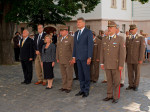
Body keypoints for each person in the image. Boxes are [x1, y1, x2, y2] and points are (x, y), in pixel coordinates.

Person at [100, 21, 126, 103]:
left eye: (111, 27)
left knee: (117, 82)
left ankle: (116, 97)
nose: (109, 29)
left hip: (116, 64)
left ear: (115, 29)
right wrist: (102, 63)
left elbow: (122, 53)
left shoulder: (120, 39)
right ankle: (109, 95)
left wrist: (121, 64)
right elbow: (102, 52)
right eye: (108, 27)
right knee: (109, 81)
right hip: (107, 64)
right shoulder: (104, 39)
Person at [72, 17, 93, 98]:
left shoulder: (88, 32)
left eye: (79, 22)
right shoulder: (76, 33)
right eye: (77, 22)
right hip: (78, 58)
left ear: (84, 23)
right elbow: (75, 46)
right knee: (80, 75)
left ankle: (86, 90)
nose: (78, 24)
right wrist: (73, 56)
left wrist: (89, 57)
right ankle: (82, 89)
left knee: (86, 74)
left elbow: (90, 46)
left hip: (85, 57)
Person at [126, 24, 145, 91]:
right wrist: (126, 58)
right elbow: (126, 49)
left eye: (132, 29)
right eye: (130, 29)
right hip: (129, 59)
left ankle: (136, 85)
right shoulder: (128, 37)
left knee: (137, 73)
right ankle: (130, 84)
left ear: (136, 29)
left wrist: (140, 59)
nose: (131, 30)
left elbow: (142, 49)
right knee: (130, 72)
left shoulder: (140, 37)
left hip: (137, 59)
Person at [56, 26, 74, 93]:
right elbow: (57, 49)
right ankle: (64, 86)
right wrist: (57, 57)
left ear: (66, 31)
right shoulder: (59, 38)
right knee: (63, 74)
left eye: (62, 31)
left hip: (68, 59)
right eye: (60, 31)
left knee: (69, 74)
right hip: (61, 59)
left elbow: (73, 49)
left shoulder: (71, 38)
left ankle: (69, 87)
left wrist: (72, 58)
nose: (61, 32)